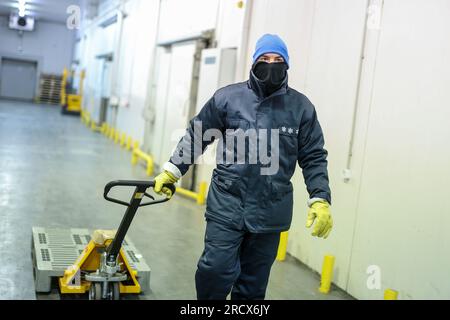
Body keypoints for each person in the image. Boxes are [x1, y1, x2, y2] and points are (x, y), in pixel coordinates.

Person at [153, 34, 333, 300]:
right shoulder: (228, 98)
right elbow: (198, 135)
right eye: (264, 59)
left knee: (252, 285)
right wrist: (172, 170)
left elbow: (314, 156)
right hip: (228, 201)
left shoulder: (301, 108)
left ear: (287, 66)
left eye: (278, 60)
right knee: (214, 270)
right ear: (254, 62)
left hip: (271, 209)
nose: (271, 65)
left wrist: (320, 198)